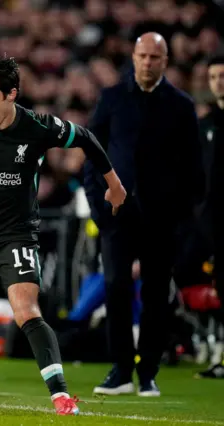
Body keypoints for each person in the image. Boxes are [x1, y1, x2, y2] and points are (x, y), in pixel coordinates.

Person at [0, 55, 126, 416]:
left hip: (15, 236)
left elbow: (87, 139)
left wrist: (115, 185)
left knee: (26, 311)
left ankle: (60, 395)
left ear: (11, 94)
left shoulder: (38, 128)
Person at [83, 33, 204, 396]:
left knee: (155, 295)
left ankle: (148, 370)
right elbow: (91, 152)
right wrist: (99, 209)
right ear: (133, 58)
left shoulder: (181, 106)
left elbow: (194, 169)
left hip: (161, 219)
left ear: (165, 61)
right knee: (116, 288)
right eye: (142, 55)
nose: (148, 62)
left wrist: (180, 219)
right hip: (117, 215)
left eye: (155, 56)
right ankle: (120, 369)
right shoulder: (112, 98)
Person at [195, 54, 224, 379]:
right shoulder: (204, 125)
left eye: (222, 76)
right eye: (214, 76)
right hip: (211, 223)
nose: (219, 81)